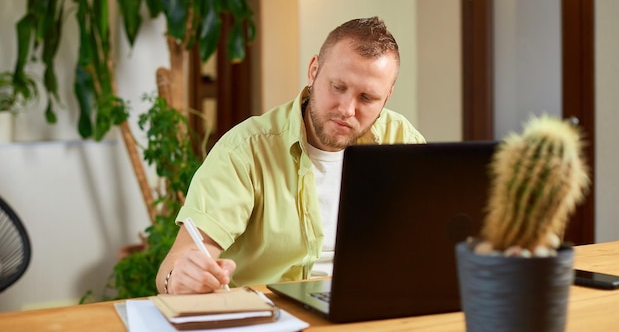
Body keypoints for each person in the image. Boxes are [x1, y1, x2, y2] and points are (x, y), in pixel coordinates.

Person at [156, 16, 426, 294]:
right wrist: (178, 278)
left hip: (372, 307)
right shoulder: (245, 150)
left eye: (367, 98)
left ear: (387, 97)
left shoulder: (402, 140)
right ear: (314, 70)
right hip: (273, 315)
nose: (347, 109)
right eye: (338, 87)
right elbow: (175, 265)